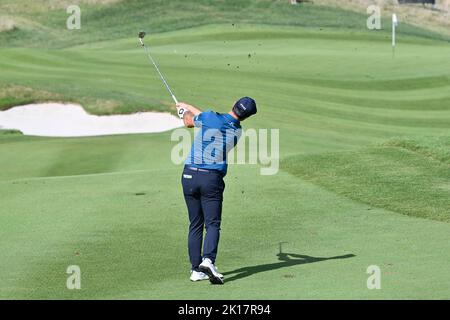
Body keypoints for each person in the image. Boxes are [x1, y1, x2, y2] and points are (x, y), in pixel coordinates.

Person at [176, 97, 257, 284]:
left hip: (188, 175)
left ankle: (196, 270)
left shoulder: (211, 117)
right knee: (212, 224)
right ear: (246, 117)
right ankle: (208, 260)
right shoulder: (237, 131)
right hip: (211, 179)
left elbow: (189, 122)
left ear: (233, 104)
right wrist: (187, 105)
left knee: (195, 223)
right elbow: (206, 117)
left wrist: (183, 112)